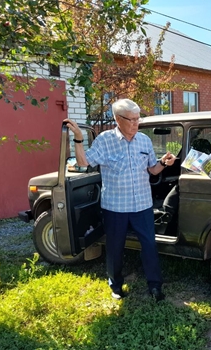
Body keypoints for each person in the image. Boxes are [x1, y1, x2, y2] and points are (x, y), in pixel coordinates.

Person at [64, 99, 176, 302]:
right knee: (115, 247)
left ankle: (155, 286)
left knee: (149, 245)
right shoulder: (105, 140)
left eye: (137, 119)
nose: (136, 123)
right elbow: (83, 163)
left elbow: (152, 169)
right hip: (115, 207)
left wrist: (163, 163)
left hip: (142, 205)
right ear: (117, 119)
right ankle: (115, 285)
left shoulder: (144, 140)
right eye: (131, 119)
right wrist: (79, 139)